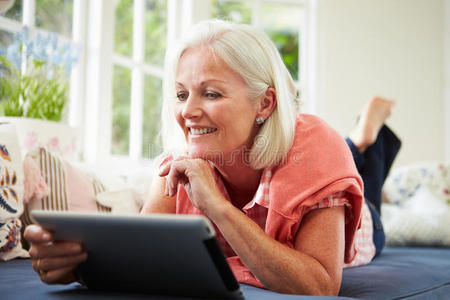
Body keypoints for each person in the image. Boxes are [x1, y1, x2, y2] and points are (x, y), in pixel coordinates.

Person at [24, 20, 400, 296]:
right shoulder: (177, 166)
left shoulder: (316, 149)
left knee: (361, 177)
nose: (188, 112)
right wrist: (77, 266)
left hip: (364, 224)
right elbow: (141, 261)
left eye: (212, 94)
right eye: (182, 94)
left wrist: (217, 206)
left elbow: (320, 285)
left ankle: (365, 137)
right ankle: (361, 140)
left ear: (265, 103)